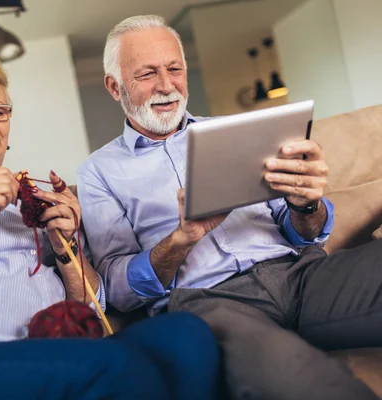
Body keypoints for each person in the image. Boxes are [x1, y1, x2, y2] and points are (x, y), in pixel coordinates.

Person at [0, 51, 220, 400]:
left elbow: (93, 311)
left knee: (186, 336)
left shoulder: (34, 199)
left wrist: (66, 246)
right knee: (114, 366)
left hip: (50, 352)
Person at [77, 14, 382, 400]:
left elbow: (301, 232)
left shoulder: (236, 131)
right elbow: (117, 289)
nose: (166, 85)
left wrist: (306, 205)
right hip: (211, 302)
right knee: (292, 376)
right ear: (113, 85)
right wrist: (181, 239)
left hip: (301, 275)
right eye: (147, 74)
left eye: (174, 69)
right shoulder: (98, 172)